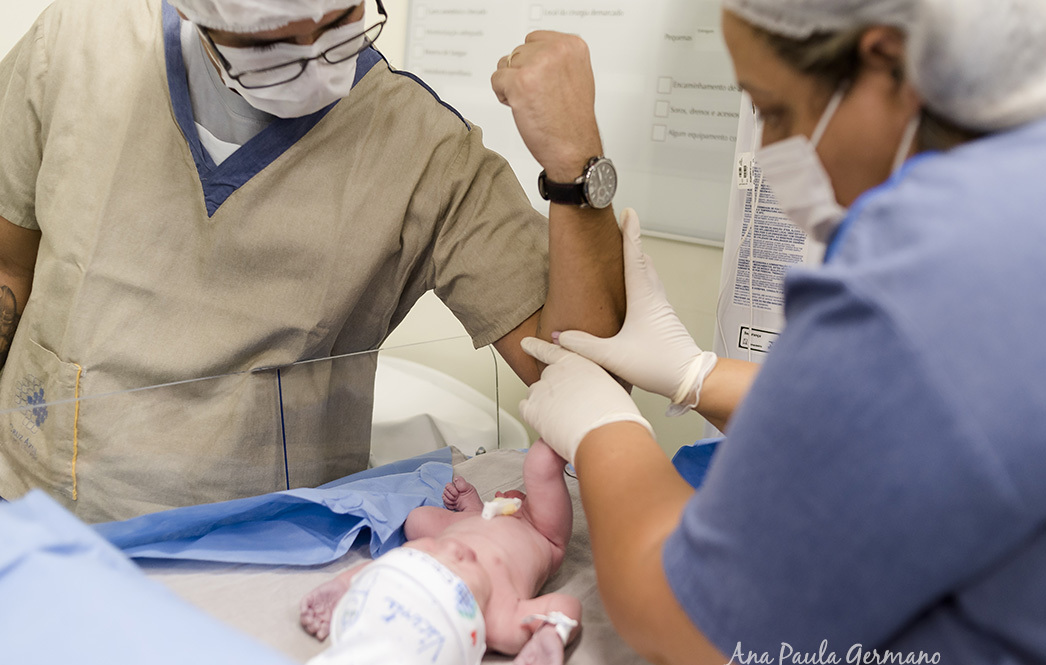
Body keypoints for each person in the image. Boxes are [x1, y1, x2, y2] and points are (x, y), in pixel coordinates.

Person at [496, 0, 1046, 665]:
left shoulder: (934, 259)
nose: (771, 148)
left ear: (887, 63)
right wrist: (697, 374)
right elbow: (958, 419)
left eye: (772, 110)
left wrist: (606, 431)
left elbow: (716, 639)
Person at [0, 0, 624, 521]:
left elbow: (590, 389)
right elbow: (9, 271)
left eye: (339, 24)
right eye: (270, 45)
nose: (316, 65)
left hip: (255, 556)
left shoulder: (424, 150)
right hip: (29, 506)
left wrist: (576, 166)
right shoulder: (78, 43)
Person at [299, 439, 581, 665]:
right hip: (538, 529)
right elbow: (564, 608)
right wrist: (552, 635)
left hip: (466, 530)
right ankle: (575, 427)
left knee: (416, 520)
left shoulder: (437, 576)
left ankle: (471, 510)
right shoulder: (499, 622)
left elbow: (389, 569)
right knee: (540, 465)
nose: (456, 552)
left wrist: (342, 584)